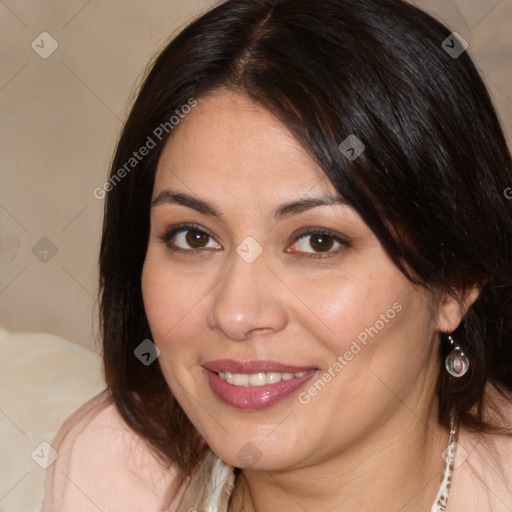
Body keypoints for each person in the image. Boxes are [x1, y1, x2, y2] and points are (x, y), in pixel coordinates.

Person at [42, 0, 512, 510]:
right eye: (195, 237)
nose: (236, 314)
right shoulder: (111, 469)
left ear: (456, 282)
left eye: (317, 241)